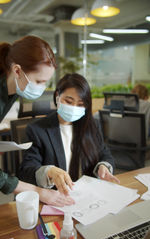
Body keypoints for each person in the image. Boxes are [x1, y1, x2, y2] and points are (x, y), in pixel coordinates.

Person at [0, 35, 74, 206]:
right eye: (39, 81)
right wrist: (39, 192)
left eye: (45, 82)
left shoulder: (11, 92)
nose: (41, 88)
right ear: (17, 71)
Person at [19, 73, 119, 196]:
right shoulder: (37, 130)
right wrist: (48, 172)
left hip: (86, 195)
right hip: (55, 197)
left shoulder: (92, 125)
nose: (74, 107)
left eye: (80, 104)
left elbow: (104, 153)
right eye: (68, 101)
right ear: (57, 96)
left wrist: (103, 166)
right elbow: (27, 170)